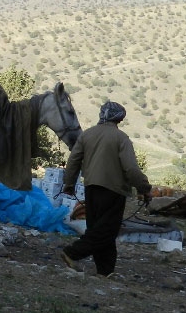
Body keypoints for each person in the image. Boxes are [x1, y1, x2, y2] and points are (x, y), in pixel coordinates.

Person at [60, 101, 152, 277]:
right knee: (106, 231)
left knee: (99, 229)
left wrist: (69, 184)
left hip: (91, 189)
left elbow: (73, 161)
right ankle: (72, 252)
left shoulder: (87, 135)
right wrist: (144, 188)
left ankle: (106, 271)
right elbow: (131, 169)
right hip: (113, 190)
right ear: (119, 118)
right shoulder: (121, 138)